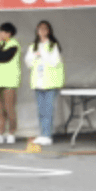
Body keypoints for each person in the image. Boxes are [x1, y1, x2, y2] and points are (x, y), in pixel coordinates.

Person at [25, 19, 63, 147]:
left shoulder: (53, 45)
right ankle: (42, 134)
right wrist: (35, 55)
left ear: (49, 31)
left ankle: (47, 135)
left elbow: (55, 62)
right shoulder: (33, 46)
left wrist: (43, 55)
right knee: (41, 110)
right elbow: (28, 63)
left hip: (50, 82)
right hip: (38, 82)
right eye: (40, 28)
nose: (42, 31)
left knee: (48, 110)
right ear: (37, 30)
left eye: (45, 29)